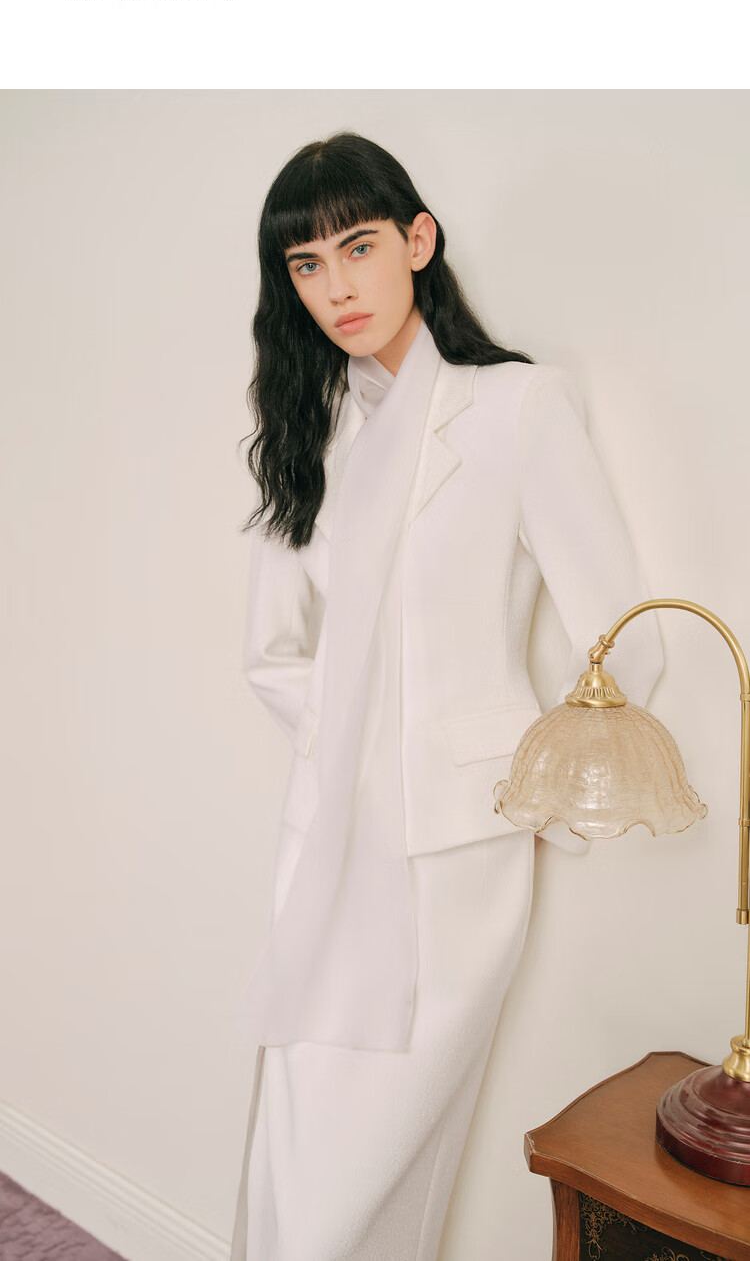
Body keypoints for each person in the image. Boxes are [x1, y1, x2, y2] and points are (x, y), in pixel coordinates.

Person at [230, 131, 663, 1261]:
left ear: (418, 240)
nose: (336, 286)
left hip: (455, 856)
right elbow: (274, 652)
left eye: (358, 247)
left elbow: (624, 640)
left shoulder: (516, 406)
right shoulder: (309, 429)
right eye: (307, 264)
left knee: (371, 1172)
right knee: (297, 1154)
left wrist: (542, 808)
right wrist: (344, 755)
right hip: (327, 845)